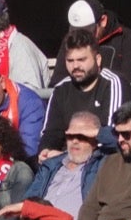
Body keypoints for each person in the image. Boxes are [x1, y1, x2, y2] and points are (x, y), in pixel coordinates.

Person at [38, 29, 123, 159]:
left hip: (102, 163)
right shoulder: (61, 89)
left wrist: (66, 156)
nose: (75, 66)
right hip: (65, 164)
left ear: (98, 59)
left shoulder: (111, 84)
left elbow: (114, 137)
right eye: (70, 61)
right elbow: (51, 133)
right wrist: (45, 151)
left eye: (81, 59)